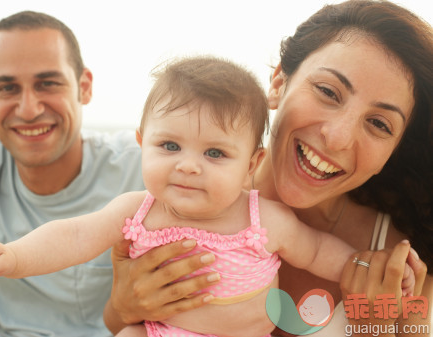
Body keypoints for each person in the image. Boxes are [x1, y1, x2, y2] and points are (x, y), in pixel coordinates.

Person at [0, 56, 372, 337]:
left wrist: (363, 267)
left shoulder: (264, 219)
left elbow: (319, 251)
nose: (188, 166)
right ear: (141, 142)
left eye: (215, 153)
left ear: (250, 163)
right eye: (169, 146)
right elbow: (73, 236)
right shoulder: (139, 211)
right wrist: (13, 256)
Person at [105, 1, 432, 336]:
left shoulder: (405, 267)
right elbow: (117, 325)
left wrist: (373, 329)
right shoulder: (169, 196)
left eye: (379, 123)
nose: (337, 138)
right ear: (278, 83)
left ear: (394, 149)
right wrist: (122, 305)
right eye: (327, 92)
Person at [0, 10, 147, 337]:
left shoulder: (149, 167)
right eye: (7, 88)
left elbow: (246, 193)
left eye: (47, 83)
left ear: (83, 87)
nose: (28, 109)